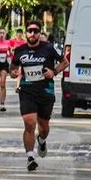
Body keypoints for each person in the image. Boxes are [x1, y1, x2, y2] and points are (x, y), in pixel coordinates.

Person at [11, 21, 67, 172]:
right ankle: (30, 157)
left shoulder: (48, 48)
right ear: (26, 33)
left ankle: (41, 140)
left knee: (44, 128)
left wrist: (54, 72)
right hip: (27, 91)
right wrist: (13, 73)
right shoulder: (20, 50)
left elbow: (65, 62)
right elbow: (13, 67)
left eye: (35, 31)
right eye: (30, 31)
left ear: (40, 33)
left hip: (45, 92)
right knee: (29, 123)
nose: (32, 34)